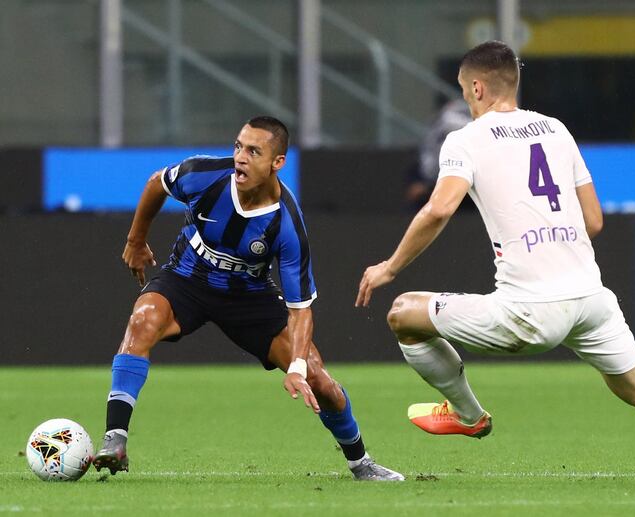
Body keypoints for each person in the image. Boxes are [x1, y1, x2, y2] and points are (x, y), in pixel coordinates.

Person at [355, 41, 635, 487]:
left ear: (478, 88)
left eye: (467, 92)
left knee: (404, 313)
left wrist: (389, 267)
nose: (467, 100)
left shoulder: (464, 140)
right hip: (591, 300)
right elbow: (595, 221)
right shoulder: (555, 129)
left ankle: (469, 415)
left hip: (528, 312)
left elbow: (439, 209)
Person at [93, 116, 403, 482]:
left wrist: (298, 368)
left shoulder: (286, 223)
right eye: (238, 146)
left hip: (249, 297)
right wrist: (135, 240)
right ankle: (116, 439)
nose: (240, 157)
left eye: (254, 151)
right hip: (187, 277)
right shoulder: (204, 175)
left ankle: (360, 462)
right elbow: (156, 183)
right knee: (142, 319)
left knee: (319, 378)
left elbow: (300, 310)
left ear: (277, 163)